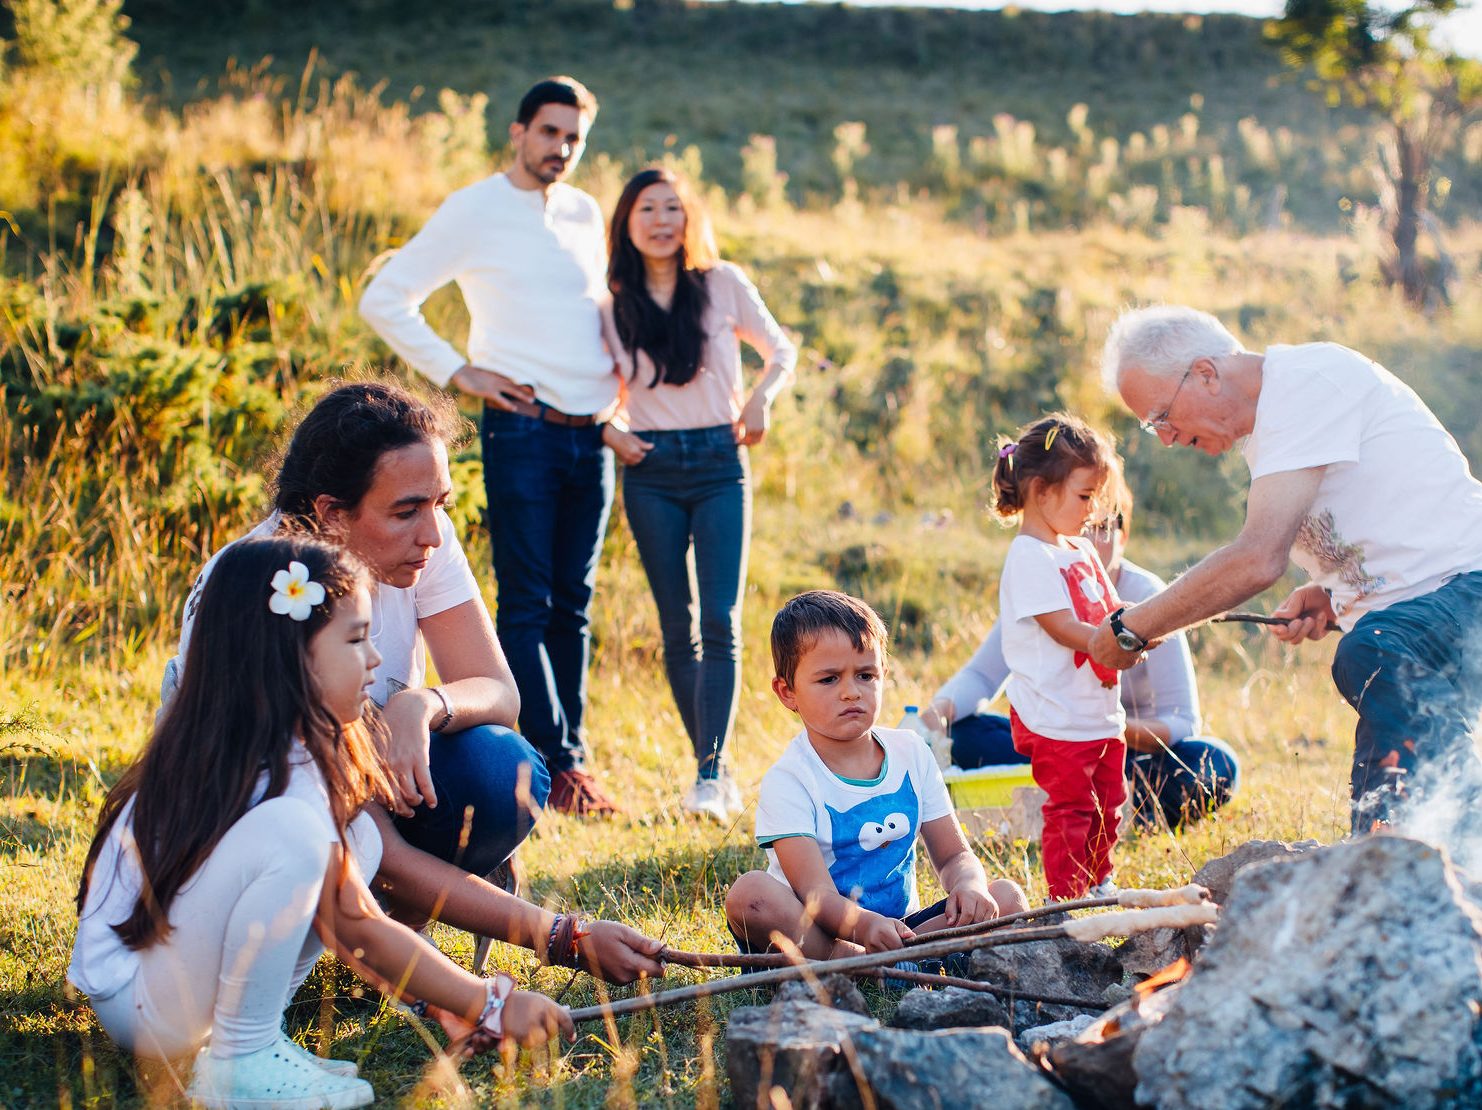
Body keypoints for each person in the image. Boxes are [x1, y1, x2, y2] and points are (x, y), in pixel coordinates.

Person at [1084, 306, 1482, 928]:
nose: (1162, 436)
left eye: (1159, 416)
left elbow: (1256, 558)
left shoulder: (1307, 383)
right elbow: (1385, 530)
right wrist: (1330, 594)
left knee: (1369, 654)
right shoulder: (1271, 436)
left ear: (1207, 374)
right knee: (1382, 819)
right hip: (1426, 618)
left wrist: (1134, 627)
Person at [164, 380, 666, 984]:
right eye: (406, 511)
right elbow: (381, 849)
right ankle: (354, 941)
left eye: (441, 504)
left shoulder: (425, 539)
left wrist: (419, 704)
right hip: (256, 833)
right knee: (370, 844)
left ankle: (384, 939)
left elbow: (499, 693)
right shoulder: (272, 596)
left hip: (362, 799)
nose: (432, 533)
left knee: (505, 767)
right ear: (330, 513)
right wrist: (563, 937)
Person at [74, 537, 575, 1110]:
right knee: (303, 836)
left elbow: (349, 913)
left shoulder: (287, 745)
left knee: (358, 840)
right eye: (357, 640)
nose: (376, 659)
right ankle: (244, 1054)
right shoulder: (268, 767)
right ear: (291, 658)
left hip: (167, 991)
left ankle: (254, 1037)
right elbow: (356, 922)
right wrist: (487, 1001)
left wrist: (455, 1000)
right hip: (146, 1000)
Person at [358, 75, 624, 816]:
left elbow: (593, 310)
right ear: (518, 132)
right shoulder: (474, 208)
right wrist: (458, 370)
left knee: (574, 602)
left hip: (591, 431)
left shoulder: (583, 210)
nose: (561, 148)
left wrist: (623, 387)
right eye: (548, 133)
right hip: (525, 427)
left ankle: (571, 754)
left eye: (574, 136)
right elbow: (385, 297)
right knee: (529, 598)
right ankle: (551, 760)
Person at [600, 166, 796, 823]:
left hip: (720, 459)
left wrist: (761, 396)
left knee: (721, 619)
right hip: (650, 467)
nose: (660, 221)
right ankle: (708, 764)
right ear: (627, 223)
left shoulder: (722, 284)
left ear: (689, 219)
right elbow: (584, 386)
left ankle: (711, 775)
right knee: (676, 623)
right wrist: (608, 429)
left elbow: (781, 349)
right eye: (646, 209)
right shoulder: (610, 304)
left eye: (672, 208)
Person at [929, 471, 1241, 831]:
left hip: (1126, 755)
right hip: (1053, 746)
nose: (1089, 538)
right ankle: (1070, 801)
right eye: (1082, 523)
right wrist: (932, 718)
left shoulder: (1149, 595)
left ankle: (1119, 808)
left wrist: (1107, 729)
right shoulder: (1042, 586)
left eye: (1103, 525)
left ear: (1123, 537)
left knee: (1214, 763)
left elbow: (1184, 720)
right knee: (961, 735)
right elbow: (982, 676)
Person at [725, 591, 1027, 962]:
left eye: (865, 675)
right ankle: (853, 966)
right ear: (788, 692)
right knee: (750, 895)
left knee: (1006, 897)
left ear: (883, 675)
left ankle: (897, 965)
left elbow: (952, 856)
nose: (851, 691)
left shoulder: (912, 752)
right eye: (829, 679)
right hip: (823, 937)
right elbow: (817, 895)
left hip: (904, 933)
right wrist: (864, 926)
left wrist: (969, 885)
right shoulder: (789, 780)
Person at [989, 414, 1131, 901]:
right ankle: (1065, 896)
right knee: (1071, 807)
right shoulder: (1029, 555)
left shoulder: (1080, 550)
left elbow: (1110, 610)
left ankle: (1099, 878)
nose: (1092, 511)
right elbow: (1063, 626)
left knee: (1110, 802)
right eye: (1085, 496)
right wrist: (1115, 640)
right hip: (1055, 715)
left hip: (1099, 711)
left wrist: (1137, 626)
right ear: (1041, 490)